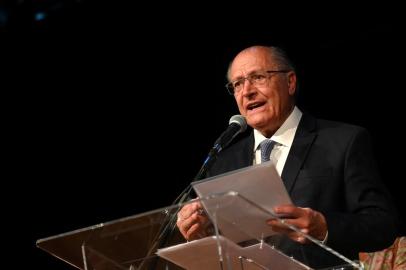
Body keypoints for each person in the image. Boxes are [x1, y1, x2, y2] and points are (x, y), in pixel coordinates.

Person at [176, 45, 398, 268]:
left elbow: (382, 225)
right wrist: (203, 232)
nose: (247, 91)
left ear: (290, 82)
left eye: (258, 77)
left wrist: (324, 227)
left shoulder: (343, 141)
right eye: (237, 84)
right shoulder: (223, 162)